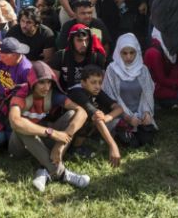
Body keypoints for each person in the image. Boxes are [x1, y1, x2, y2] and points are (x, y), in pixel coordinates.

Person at [7, 61, 90, 191]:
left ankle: (43, 170)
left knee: (72, 114)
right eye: (41, 82)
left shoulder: (52, 94)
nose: (46, 87)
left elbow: (82, 112)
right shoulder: (20, 94)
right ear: (33, 82)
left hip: (41, 140)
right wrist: (52, 132)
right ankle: (62, 173)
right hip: (19, 147)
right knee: (22, 125)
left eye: (49, 82)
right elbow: (15, 122)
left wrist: (60, 144)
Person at [102, 33, 157, 147]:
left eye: (132, 53)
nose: (128, 57)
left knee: (147, 140)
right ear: (118, 52)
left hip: (140, 115)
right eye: (124, 53)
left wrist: (147, 112)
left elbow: (148, 94)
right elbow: (109, 98)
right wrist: (127, 117)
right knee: (131, 143)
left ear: (137, 52)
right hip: (120, 116)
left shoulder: (143, 70)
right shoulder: (112, 70)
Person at [67, 65, 123, 167]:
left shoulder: (96, 91)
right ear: (83, 83)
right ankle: (74, 148)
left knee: (104, 115)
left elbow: (119, 108)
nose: (97, 86)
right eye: (93, 82)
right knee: (89, 117)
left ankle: (85, 142)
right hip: (65, 128)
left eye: (99, 82)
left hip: (79, 127)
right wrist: (113, 146)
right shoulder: (77, 92)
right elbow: (96, 117)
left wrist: (107, 118)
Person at [50, 24, 107, 91]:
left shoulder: (97, 57)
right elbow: (54, 83)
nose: (84, 44)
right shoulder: (60, 56)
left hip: (90, 94)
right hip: (64, 94)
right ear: (71, 41)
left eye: (87, 40)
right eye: (79, 40)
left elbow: (102, 84)